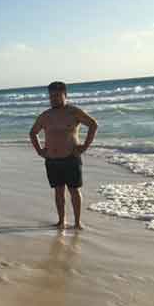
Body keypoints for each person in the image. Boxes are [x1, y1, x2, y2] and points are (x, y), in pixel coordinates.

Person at [30, 81, 99, 230]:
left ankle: (77, 222)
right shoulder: (46, 115)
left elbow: (93, 124)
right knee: (58, 191)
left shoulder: (73, 112)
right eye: (51, 96)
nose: (53, 99)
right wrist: (40, 151)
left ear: (65, 95)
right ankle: (61, 221)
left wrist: (85, 146)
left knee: (74, 190)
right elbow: (33, 132)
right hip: (52, 160)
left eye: (57, 95)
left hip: (70, 158)